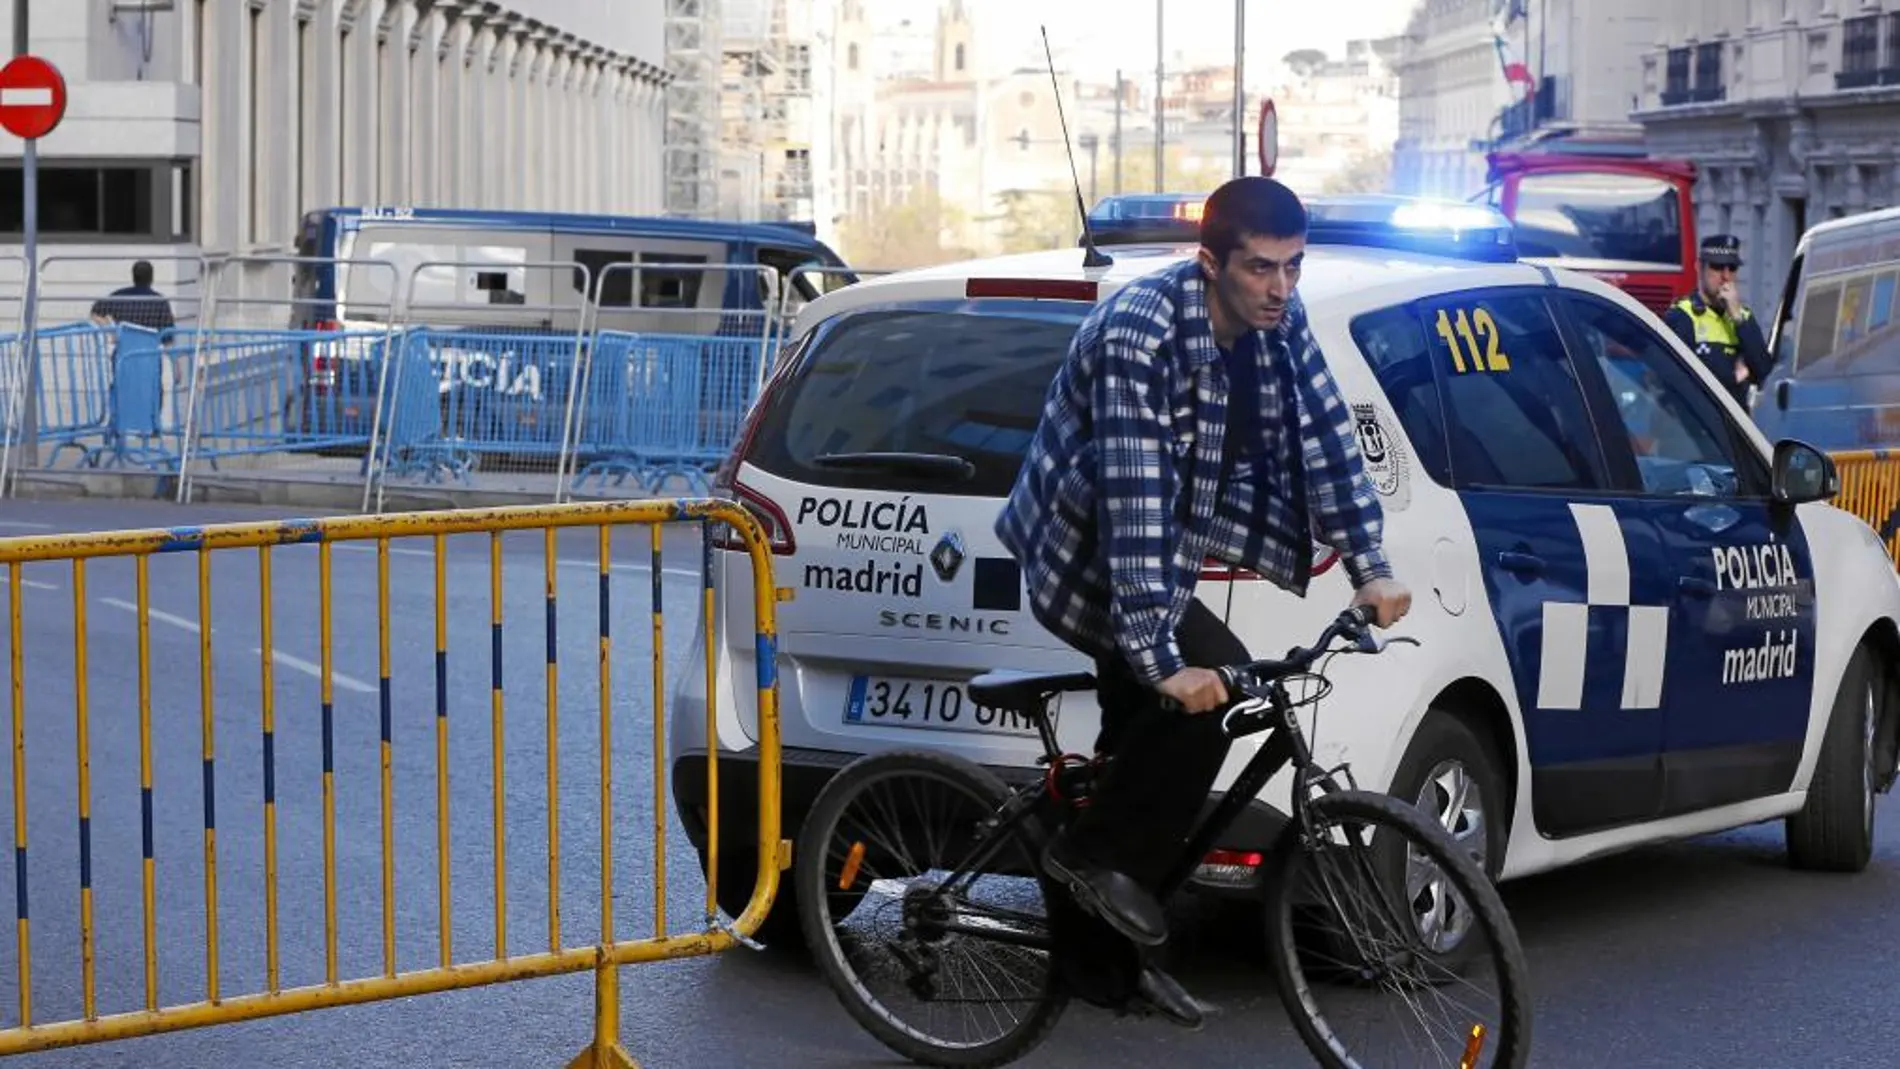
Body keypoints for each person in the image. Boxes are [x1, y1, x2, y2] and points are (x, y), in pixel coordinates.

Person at [993, 176, 1412, 1030]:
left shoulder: (1277, 323)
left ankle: (1105, 962)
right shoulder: (1139, 334)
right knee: (1192, 707)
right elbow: (1134, 506)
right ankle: (1083, 862)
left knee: (1157, 750)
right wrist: (1160, 662)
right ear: (1209, 260)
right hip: (1085, 559)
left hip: (1160, 559)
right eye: (1260, 269)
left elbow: (1326, 437)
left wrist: (1368, 566)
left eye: (1292, 268)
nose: (1280, 288)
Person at [1661, 235, 1772, 406]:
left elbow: (1763, 371)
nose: (1726, 276)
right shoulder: (1683, 316)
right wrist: (1732, 378)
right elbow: (1675, 380)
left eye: (1732, 268)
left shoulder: (1743, 317)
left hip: (1735, 424)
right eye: (1717, 267)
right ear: (1699, 267)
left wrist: (1737, 318)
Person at [89, 260, 177, 332]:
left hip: (124, 351)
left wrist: (112, 330)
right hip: (150, 350)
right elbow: (168, 335)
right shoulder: (160, 301)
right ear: (151, 278)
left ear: (133, 277)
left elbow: (95, 313)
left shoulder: (119, 296)